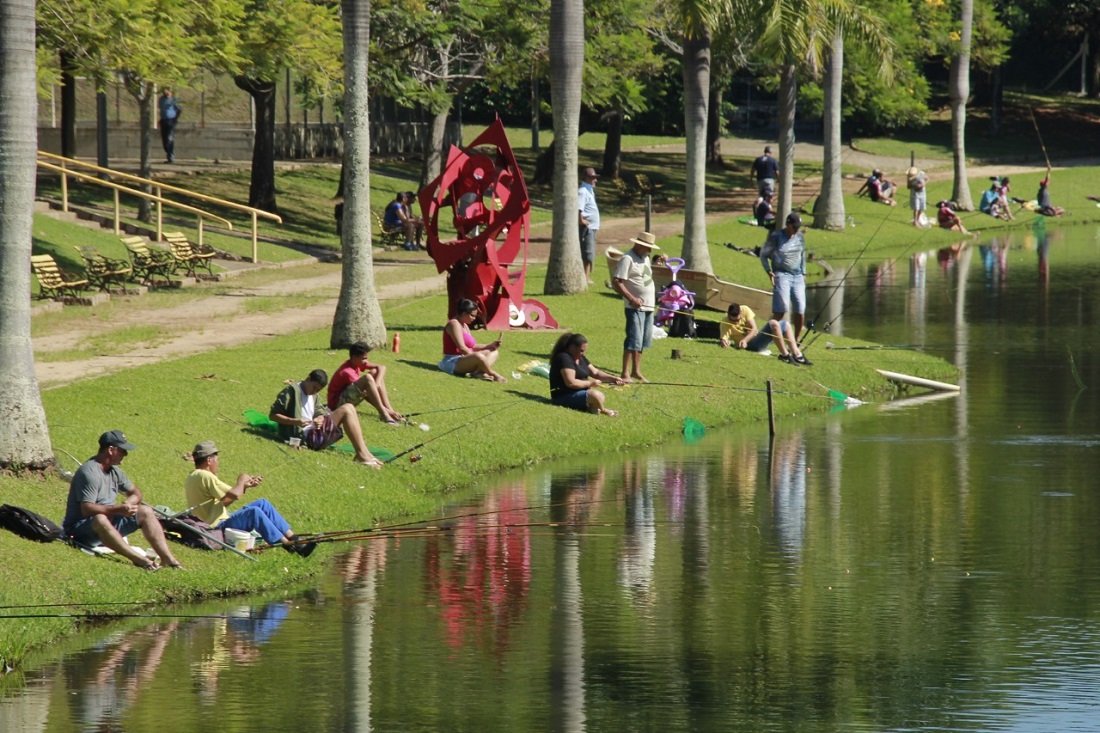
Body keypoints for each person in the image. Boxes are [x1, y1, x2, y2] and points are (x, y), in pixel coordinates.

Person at [61, 430, 183, 570]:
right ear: (111, 450)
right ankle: (140, 560)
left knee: (146, 511)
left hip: (109, 523)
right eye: (122, 451)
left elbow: (136, 492)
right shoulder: (89, 473)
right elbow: (87, 509)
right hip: (80, 530)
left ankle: (169, 560)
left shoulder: (114, 471)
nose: (126, 454)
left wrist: (129, 502)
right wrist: (118, 509)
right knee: (100, 518)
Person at [184, 441, 316, 557]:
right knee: (254, 513)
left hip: (217, 521)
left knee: (262, 504)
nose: (218, 463)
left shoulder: (194, 476)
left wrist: (245, 486)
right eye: (216, 459)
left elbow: (224, 501)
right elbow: (235, 494)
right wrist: (242, 479)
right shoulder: (205, 476)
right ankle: (289, 545)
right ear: (209, 460)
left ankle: (295, 538)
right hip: (216, 527)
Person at [269, 369, 384, 467]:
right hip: (303, 438)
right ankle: (361, 455)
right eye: (314, 388)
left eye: (318, 390)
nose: (314, 392)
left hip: (315, 432)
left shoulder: (314, 395)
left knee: (350, 408)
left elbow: (320, 411)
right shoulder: (291, 391)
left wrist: (320, 418)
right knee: (347, 408)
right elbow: (273, 415)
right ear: (308, 379)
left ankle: (365, 454)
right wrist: (295, 421)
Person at [612, 231, 659, 383]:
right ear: (639, 245)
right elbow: (617, 282)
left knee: (642, 341)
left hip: (648, 307)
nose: (650, 250)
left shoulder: (645, 258)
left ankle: (636, 371)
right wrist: (632, 299)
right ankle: (625, 372)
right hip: (634, 308)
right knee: (633, 339)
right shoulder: (627, 259)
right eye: (647, 247)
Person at [327, 341, 403, 424]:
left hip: (347, 396)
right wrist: (386, 411)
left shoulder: (356, 363)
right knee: (367, 378)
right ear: (354, 357)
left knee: (375, 372)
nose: (366, 361)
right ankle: (385, 415)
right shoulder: (347, 372)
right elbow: (366, 395)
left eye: (366, 358)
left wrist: (377, 383)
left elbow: (381, 367)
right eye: (364, 358)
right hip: (336, 405)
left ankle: (391, 412)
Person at [549, 333, 623, 416]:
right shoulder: (564, 358)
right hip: (562, 395)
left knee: (600, 396)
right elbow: (570, 383)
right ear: (572, 347)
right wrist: (590, 383)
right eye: (581, 350)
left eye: (584, 351)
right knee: (596, 396)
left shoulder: (580, 357)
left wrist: (614, 378)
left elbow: (596, 373)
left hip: (579, 392)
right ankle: (603, 410)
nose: (583, 353)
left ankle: (592, 408)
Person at [760, 212, 807, 339]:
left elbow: (802, 254)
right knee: (781, 309)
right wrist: (768, 271)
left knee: (800, 309)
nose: (797, 229)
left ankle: (796, 341)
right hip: (781, 274)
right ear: (788, 224)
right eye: (794, 227)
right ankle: (764, 337)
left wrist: (803, 272)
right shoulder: (776, 237)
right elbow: (763, 255)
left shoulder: (800, 237)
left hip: (798, 276)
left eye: (798, 227)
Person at [719, 304, 810, 365]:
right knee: (773, 323)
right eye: (733, 320)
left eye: (737, 319)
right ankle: (785, 355)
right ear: (728, 315)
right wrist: (724, 342)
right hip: (751, 346)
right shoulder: (725, 322)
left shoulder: (745, 309)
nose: (735, 322)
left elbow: (754, 329)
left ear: (740, 313)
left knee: (785, 324)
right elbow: (724, 339)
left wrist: (744, 339)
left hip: (757, 338)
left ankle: (797, 354)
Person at [439, 298, 506, 382]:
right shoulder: (454, 324)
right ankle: (492, 373)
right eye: (472, 315)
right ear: (464, 313)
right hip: (452, 361)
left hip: (464, 358)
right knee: (478, 356)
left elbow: (473, 346)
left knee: (493, 351)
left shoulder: (465, 325)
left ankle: (478, 372)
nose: (474, 318)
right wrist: (476, 357)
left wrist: (490, 346)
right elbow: (462, 348)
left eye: (475, 316)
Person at [577, 167, 601, 283]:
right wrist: (581, 221)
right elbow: (579, 208)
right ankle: (585, 277)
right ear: (586, 178)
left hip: (592, 227)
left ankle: (586, 276)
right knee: (587, 253)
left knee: (590, 252)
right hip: (587, 228)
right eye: (593, 178)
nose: (595, 180)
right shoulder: (582, 191)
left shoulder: (589, 190)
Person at [158, 88, 181, 163]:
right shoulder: (161, 99)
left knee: (169, 139)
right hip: (163, 120)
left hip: (171, 121)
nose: (166, 92)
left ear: (170, 92)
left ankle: (171, 157)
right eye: (164, 91)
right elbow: (161, 110)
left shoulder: (174, 100)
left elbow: (179, 110)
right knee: (164, 140)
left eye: (167, 91)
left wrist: (175, 119)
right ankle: (168, 154)